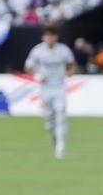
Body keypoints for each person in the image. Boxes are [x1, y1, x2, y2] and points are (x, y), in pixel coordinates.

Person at [23, 25, 77, 159]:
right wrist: (37, 76)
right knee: (49, 120)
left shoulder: (63, 50)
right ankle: (53, 135)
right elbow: (28, 67)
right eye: (48, 36)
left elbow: (72, 64)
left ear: (56, 37)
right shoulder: (37, 51)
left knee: (61, 115)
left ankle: (61, 146)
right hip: (45, 88)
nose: (50, 39)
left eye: (52, 36)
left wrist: (71, 72)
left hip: (59, 87)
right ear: (43, 37)